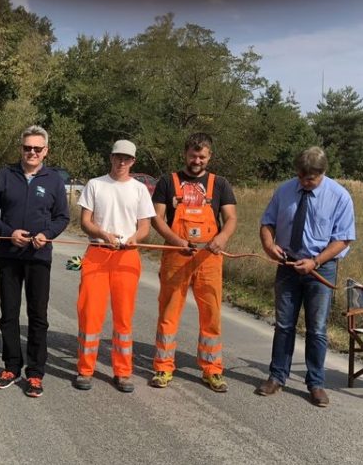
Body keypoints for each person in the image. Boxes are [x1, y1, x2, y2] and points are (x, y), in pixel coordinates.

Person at [258, 146, 355, 407]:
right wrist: (269, 245)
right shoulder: (285, 190)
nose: (304, 181)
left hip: (320, 269)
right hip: (287, 266)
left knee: (317, 329)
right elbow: (267, 223)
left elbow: (343, 238)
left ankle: (315, 383)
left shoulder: (340, 196)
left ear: (322, 173)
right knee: (284, 324)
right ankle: (277, 376)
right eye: (300, 176)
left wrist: (315, 261)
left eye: (309, 178)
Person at [0, 125, 70, 397]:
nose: (31, 152)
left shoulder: (54, 180)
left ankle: (35, 373)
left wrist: (47, 234)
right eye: (27, 147)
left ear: (46, 151)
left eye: (37, 148)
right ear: (20, 148)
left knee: (38, 316)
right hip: (9, 255)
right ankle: (11, 366)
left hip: (39, 257)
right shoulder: (4, 176)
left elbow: (62, 218)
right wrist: (9, 233)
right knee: (9, 313)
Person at [149, 132, 237, 392]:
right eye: (192, 155)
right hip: (177, 256)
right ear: (185, 154)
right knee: (169, 313)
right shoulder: (168, 181)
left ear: (209, 156)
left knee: (211, 314)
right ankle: (163, 367)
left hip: (209, 258)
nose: (196, 160)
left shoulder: (220, 184)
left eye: (202, 156)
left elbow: (230, 218)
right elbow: (157, 218)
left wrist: (222, 238)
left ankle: (212, 369)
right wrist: (176, 241)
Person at [73, 140, 155, 392]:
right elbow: (85, 221)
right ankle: (85, 370)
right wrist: (102, 233)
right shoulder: (95, 185)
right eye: (118, 157)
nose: (122, 162)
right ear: (111, 157)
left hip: (127, 256)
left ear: (133, 161)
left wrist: (135, 239)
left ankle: (123, 372)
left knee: (123, 316)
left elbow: (145, 227)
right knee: (90, 313)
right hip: (98, 252)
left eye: (127, 158)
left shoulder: (140, 189)